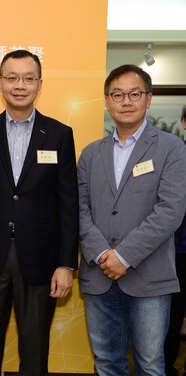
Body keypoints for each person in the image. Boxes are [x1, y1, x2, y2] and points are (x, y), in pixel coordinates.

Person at [0, 49, 79, 375]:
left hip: (41, 261)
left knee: (34, 355)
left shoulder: (59, 134)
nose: (20, 85)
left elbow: (67, 203)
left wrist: (65, 263)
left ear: (39, 84)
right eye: (12, 78)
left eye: (28, 79)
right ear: (0, 83)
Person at [79, 64, 186, 375]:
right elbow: (80, 210)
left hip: (149, 276)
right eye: (117, 95)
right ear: (106, 101)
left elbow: (170, 211)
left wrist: (124, 256)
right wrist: (103, 254)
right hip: (99, 276)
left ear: (148, 99)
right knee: (107, 362)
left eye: (134, 94)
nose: (126, 101)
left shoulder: (172, 149)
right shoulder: (90, 154)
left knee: (150, 364)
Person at [164, 104, 186, 376]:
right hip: (176, 253)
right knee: (171, 317)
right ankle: (166, 368)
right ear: (183, 122)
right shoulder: (175, 155)